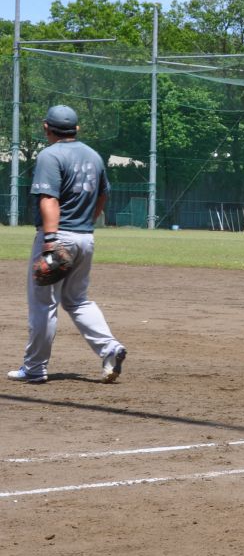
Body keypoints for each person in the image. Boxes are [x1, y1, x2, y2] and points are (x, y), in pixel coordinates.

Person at [8, 105, 127, 385]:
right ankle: (110, 348)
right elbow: (103, 195)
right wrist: (87, 222)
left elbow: (49, 198)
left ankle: (34, 368)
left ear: (46, 128)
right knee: (77, 300)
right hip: (85, 238)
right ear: (77, 129)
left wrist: (50, 240)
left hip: (57, 235)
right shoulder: (93, 155)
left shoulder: (50, 155)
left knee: (43, 304)